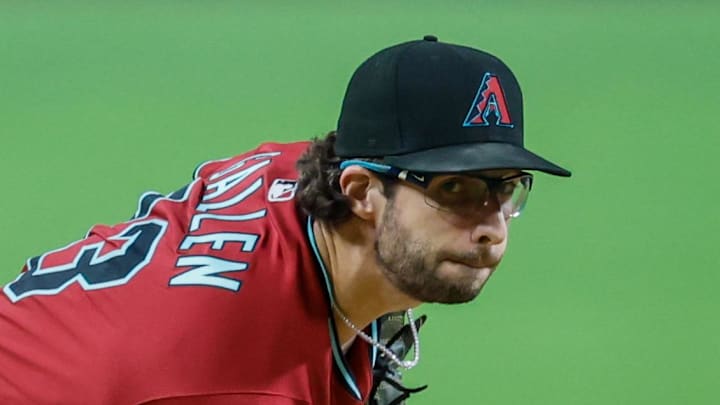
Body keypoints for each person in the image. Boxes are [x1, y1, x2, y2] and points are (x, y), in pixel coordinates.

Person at [0, 35, 571, 404]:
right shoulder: (238, 380)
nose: (491, 226)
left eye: (504, 189)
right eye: (454, 189)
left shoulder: (297, 175)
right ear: (360, 191)